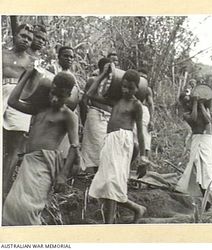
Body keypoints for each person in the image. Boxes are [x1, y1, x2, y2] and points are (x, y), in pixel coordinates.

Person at [2, 71, 81, 225]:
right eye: (52, 93)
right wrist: (26, 75)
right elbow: (12, 102)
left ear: (69, 95)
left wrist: (63, 175)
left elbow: (74, 146)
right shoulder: (39, 108)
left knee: (29, 208)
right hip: (29, 161)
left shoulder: (69, 116)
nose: (54, 98)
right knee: (12, 205)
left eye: (60, 96)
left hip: (45, 163)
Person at [87, 67, 148, 224]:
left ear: (137, 88)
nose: (126, 90)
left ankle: (110, 223)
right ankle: (135, 208)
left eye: (131, 87)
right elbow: (91, 94)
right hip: (110, 140)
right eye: (124, 86)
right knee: (107, 182)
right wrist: (103, 75)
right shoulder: (116, 100)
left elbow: (140, 132)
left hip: (123, 140)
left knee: (113, 182)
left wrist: (143, 156)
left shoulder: (136, 105)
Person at [2, 23, 34, 198]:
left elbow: (34, 86)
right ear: (15, 35)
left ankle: (4, 190)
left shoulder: (31, 62)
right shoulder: (2, 54)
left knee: (14, 147)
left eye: (29, 39)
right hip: (2, 93)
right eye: (23, 36)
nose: (26, 40)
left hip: (19, 99)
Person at [176, 95, 212, 211]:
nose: (188, 104)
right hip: (196, 140)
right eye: (186, 103)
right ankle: (205, 198)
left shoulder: (203, 111)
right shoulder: (186, 114)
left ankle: (207, 199)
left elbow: (208, 120)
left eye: (189, 102)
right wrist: (194, 103)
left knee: (207, 171)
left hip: (206, 140)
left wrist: (201, 104)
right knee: (196, 170)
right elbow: (193, 119)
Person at [80, 57, 112, 174]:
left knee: (106, 146)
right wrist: (84, 121)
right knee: (95, 146)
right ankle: (91, 175)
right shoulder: (93, 80)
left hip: (108, 117)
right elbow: (84, 100)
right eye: (109, 66)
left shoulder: (114, 82)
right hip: (96, 115)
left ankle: (100, 175)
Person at [132, 68, 154, 158]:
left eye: (144, 78)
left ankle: (144, 163)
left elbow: (151, 104)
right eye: (140, 77)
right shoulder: (131, 86)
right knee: (132, 137)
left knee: (145, 139)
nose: (142, 79)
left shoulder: (147, 89)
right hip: (132, 109)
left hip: (144, 112)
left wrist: (151, 120)